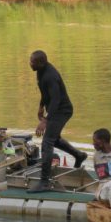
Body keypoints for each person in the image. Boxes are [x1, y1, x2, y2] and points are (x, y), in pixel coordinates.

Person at [28, 50, 87, 193]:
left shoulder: (50, 75)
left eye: (32, 62)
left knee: (47, 142)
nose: (30, 63)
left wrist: (45, 121)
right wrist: (41, 106)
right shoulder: (40, 71)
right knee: (53, 139)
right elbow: (45, 92)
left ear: (40, 62)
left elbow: (56, 99)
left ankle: (44, 182)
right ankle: (79, 155)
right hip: (55, 110)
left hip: (62, 110)